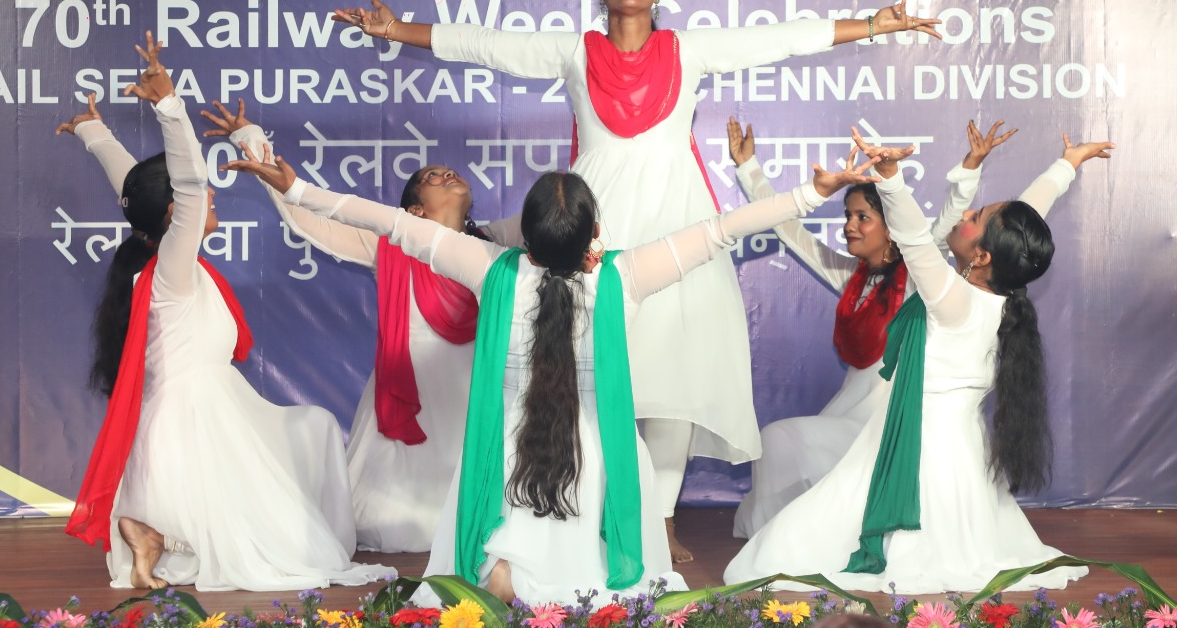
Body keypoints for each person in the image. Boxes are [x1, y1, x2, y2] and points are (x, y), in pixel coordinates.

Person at [332, 0, 943, 559]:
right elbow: (488, 45)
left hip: (677, 223)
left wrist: (872, 25)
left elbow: (779, 38)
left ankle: (663, 517)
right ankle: (596, 505)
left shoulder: (688, 50)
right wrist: (396, 31)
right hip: (598, 229)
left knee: (677, 374)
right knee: (588, 370)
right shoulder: (576, 52)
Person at [223, 140, 877, 603]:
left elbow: (388, 222)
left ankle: (503, 569)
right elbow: (720, 230)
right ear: (594, 232)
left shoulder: (488, 265)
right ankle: (565, 575)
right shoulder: (624, 275)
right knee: (624, 543)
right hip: (599, 458)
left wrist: (296, 189)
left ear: (526, 238)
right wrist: (811, 191)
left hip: (504, 459)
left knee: (495, 526)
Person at [56, 36, 393, 592]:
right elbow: (186, 184)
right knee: (283, 547)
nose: (210, 197)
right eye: (199, 197)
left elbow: (140, 192)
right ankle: (156, 534)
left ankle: (153, 534)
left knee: (313, 428)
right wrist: (170, 107)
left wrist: (97, 135)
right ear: (176, 213)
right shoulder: (173, 268)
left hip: (191, 413)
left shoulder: (158, 254)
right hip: (198, 420)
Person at [724, 127, 1113, 594]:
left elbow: (913, 237)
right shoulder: (997, 295)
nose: (965, 213)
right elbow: (1025, 221)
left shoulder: (953, 300)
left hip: (918, 444)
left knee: (780, 551)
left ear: (982, 256)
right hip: (954, 448)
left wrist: (890, 177)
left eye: (974, 218)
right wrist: (1066, 165)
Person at [199, 99, 486, 553]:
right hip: (410, 392)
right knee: (394, 527)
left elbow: (554, 229)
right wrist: (251, 140)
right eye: (432, 176)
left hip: (473, 391)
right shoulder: (390, 245)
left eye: (449, 171)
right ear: (414, 210)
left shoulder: (495, 245)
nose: (446, 174)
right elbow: (309, 218)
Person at [728, 117, 1015, 539]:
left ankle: (794, 538)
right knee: (777, 441)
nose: (850, 225)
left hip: (892, 425)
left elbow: (946, 221)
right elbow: (791, 233)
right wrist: (749, 167)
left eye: (862, 216)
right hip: (847, 421)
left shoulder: (920, 277)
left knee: (779, 439)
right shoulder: (853, 277)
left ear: (891, 225)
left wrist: (970, 166)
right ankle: (778, 537)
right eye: (848, 215)